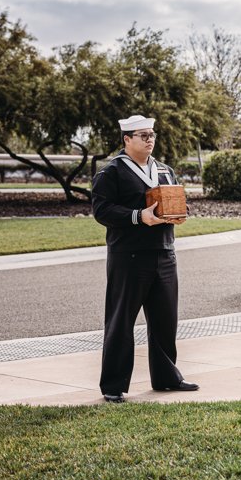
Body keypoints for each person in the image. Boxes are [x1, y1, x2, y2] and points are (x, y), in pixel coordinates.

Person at [91, 115, 198, 403]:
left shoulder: (164, 170)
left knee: (165, 319)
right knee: (121, 321)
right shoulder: (111, 172)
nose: (150, 139)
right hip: (129, 257)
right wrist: (139, 217)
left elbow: (173, 199)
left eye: (152, 134)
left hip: (165, 253)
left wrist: (180, 210)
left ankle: (166, 377)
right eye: (143, 135)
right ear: (127, 139)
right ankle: (113, 386)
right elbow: (101, 210)